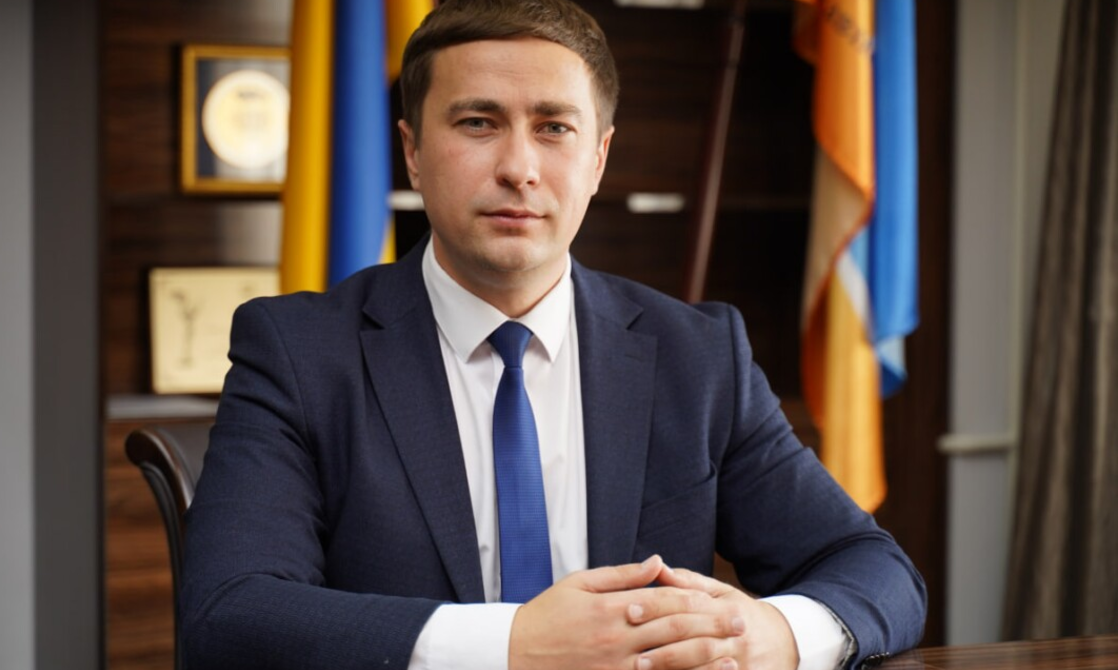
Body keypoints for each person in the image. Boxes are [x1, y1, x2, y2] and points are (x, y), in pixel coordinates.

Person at [180, 0, 927, 668]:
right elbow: (229, 614)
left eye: (554, 128)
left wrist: (773, 635)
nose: (519, 168)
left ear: (598, 157)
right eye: (478, 123)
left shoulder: (697, 356)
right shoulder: (298, 352)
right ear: (411, 151)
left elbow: (874, 570)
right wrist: (513, 647)